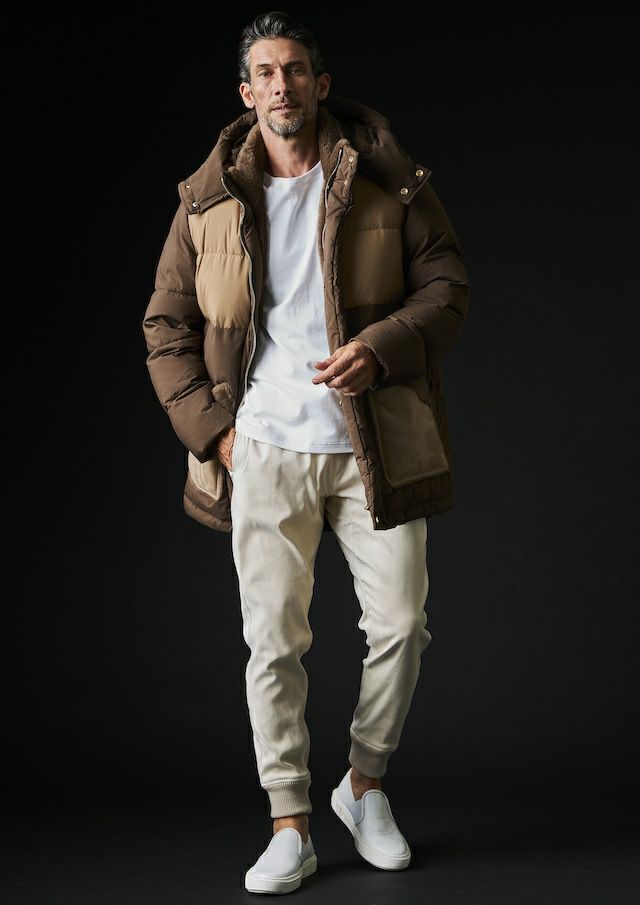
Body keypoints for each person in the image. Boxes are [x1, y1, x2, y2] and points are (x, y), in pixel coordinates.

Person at [142, 10, 470, 895]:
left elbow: (447, 283)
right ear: (246, 94)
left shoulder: (386, 178)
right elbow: (165, 325)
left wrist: (384, 348)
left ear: (320, 85)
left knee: (402, 623)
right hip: (263, 447)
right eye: (264, 73)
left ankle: (362, 784)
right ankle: (289, 823)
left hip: (373, 444)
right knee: (273, 644)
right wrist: (216, 432)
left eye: (294, 70)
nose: (280, 85)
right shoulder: (206, 200)